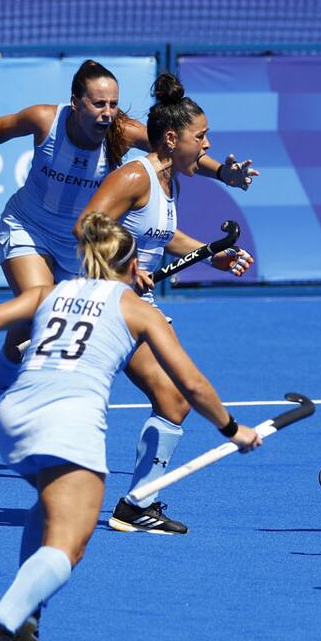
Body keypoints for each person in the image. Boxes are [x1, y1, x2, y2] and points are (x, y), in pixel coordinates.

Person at [0, 211, 259, 641]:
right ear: (134, 261)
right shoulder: (138, 309)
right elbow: (192, 384)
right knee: (70, 545)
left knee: (47, 507)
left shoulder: (50, 292)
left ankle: (26, 611)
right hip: (68, 426)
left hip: (14, 420)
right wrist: (232, 429)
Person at [0, 59, 258, 484]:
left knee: (41, 353)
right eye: (98, 103)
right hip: (34, 231)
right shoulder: (52, 122)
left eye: (114, 104)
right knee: (36, 331)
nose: (108, 113)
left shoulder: (132, 141)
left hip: (84, 253)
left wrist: (225, 177)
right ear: (75, 103)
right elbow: (2, 126)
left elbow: (177, 161)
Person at [75, 72, 254, 534]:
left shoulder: (168, 181)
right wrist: (128, 267)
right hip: (111, 301)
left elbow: (163, 235)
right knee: (173, 397)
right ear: (172, 139)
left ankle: (138, 504)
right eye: (202, 137)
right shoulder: (135, 175)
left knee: (168, 399)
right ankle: (137, 505)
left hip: (133, 302)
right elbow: (87, 226)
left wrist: (209, 256)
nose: (209, 145)